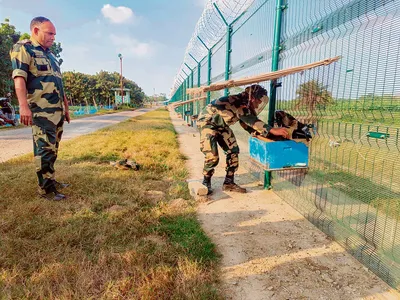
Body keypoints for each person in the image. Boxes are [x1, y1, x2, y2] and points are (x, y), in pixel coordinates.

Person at [10, 16, 70, 201]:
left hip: (57, 110)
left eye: (54, 34)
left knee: (53, 148)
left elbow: (59, 84)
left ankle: (50, 180)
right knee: (44, 149)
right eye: (49, 33)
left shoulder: (51, 55)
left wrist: (66, 108)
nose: (53, 37)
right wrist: (23, 106)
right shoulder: (23, 48)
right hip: (41, 110)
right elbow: (19, 79)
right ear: (36, 30)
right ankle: (45, 190)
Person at [197, 84, 289, 194]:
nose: (260, 103)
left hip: (221, 126)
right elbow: (251, 120)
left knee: (233, 150)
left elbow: (246, 124)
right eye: (259, 100)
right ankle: (206, 182)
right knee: (212, 156)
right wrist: (273, 130)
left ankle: (228, 183)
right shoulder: (239, 102)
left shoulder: (245, 104)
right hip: (207, 123)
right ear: (253, 97)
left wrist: (258, 134)